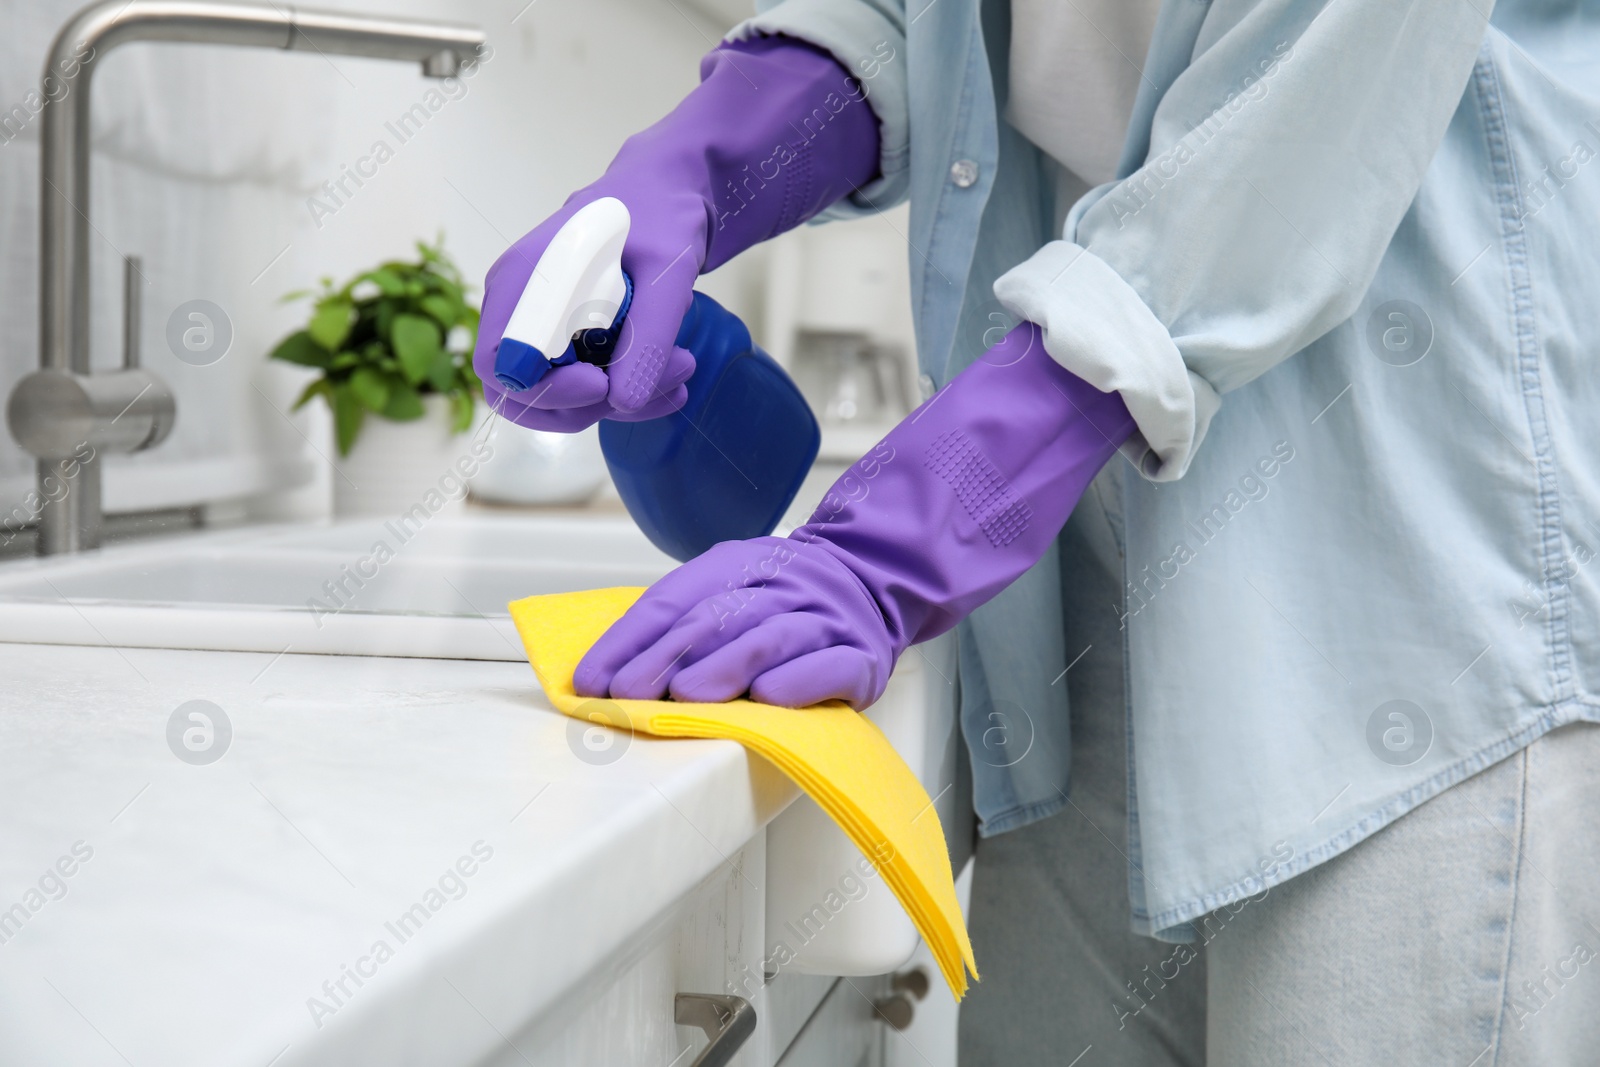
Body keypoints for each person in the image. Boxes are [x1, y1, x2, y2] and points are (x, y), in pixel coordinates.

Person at [474, 0, 1600, 1062]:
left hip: (1393, 568)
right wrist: (699, 168)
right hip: (1078, 574)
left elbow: (1284, 149)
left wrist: (902, 534)